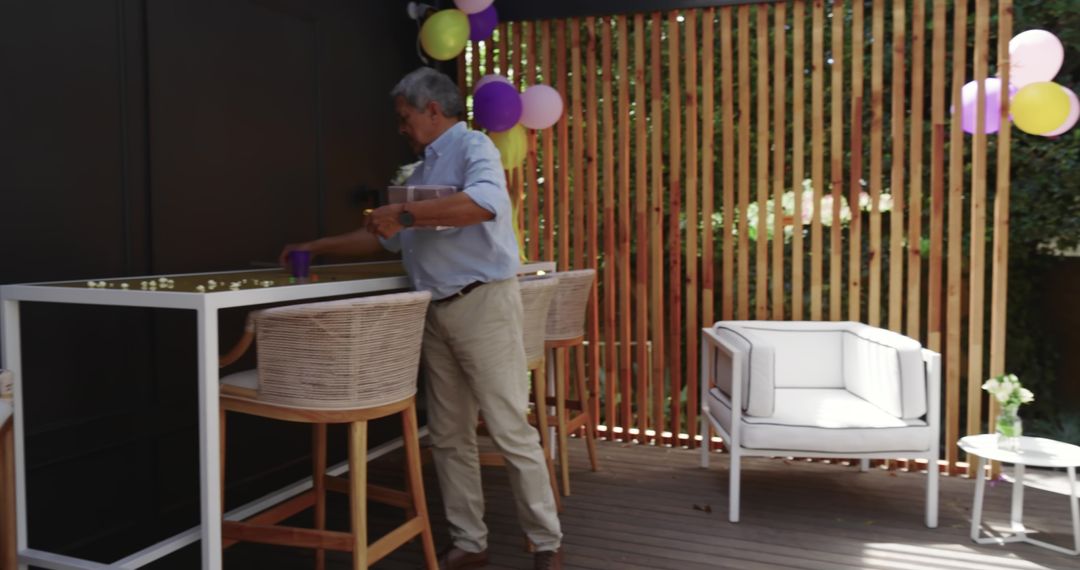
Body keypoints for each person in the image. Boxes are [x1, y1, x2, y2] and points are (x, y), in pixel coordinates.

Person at [280, 67, 562, 570]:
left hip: (483, 306)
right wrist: (316, 247)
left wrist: (406, 216)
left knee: (508, 429)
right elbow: (383, 236)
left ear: (432, 110)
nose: (401, 127)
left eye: (404, 117)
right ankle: (470, 542)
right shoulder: (420, 171)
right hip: (434, 312)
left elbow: (484, 205)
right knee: (450, 435)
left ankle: (545, 543)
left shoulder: (476, 148)